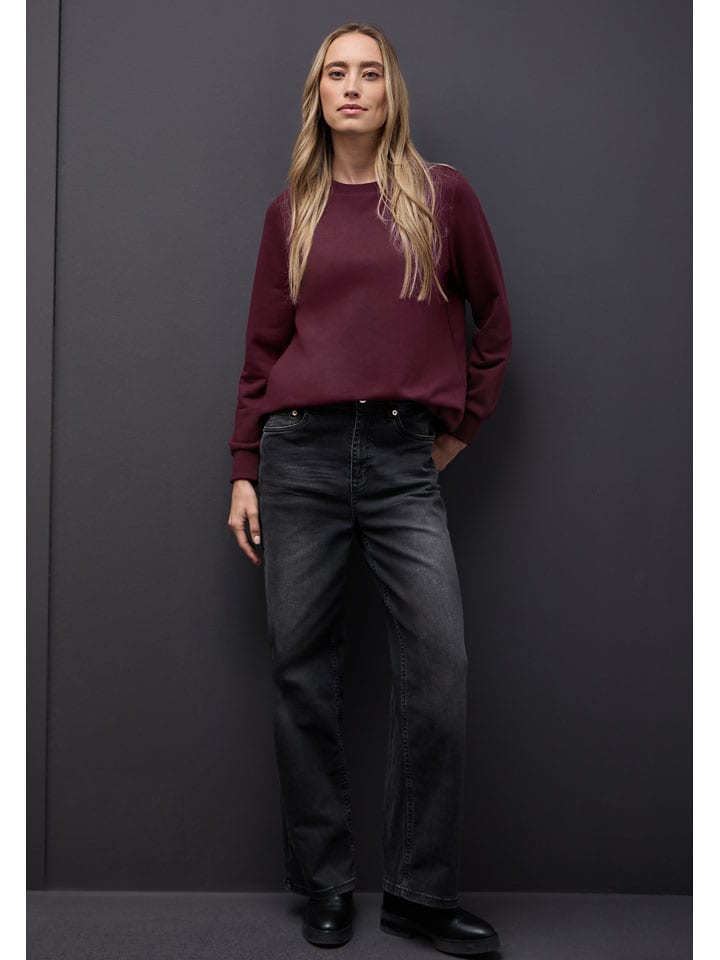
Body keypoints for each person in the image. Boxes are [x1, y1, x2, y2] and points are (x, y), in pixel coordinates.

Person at [227, 21, 511, 955]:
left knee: (439, 669)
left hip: (399, 459)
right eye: (336, 74)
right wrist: (243, 468)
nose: (353, 87)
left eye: (370, 73)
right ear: (318, 94)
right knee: (301, 672)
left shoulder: (442, 196)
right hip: (299, 456)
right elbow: (262, 352)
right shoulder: (292, 213)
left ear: (392, 93)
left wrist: (459, 429)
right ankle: (326, 883)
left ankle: (419, 894)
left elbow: (495, 323)